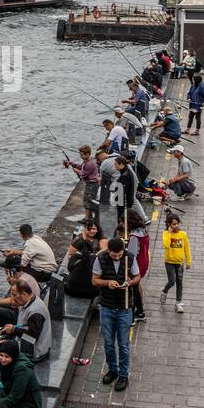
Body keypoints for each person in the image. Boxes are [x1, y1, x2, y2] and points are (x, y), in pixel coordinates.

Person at [92, 237, 138, 392]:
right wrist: (107, 283)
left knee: (124, 345)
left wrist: (129, 283)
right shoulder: (100, 259)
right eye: (114, 255)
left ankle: (124, 375)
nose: (117, 258)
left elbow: (138, 277)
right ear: (108, 251)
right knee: (109, 343)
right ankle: (113, 369)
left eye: (119, 255)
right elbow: (94, 280)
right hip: (107, 307)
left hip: (125, 308)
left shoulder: (130, 257)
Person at [0, 273, 51, 362]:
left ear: (24, 294)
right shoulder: (26, 301)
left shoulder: (35, 311)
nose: (12, 298)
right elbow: (19, 323)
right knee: (0, 346)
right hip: (25, 343)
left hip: (35, 352)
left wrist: (13, 330)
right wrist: (5, 335)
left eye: (14, 295)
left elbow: (32, 338)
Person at [0, 338, 42, 408]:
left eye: (7, 357)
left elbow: (14, 398)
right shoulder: (0, 362)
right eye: (1, 355)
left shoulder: (22, 371)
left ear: (13, 356)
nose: (3, 359)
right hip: (11, 393)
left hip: (27, 402)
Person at [160, 212, 191, 313]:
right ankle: (165, 290)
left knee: (179, 282)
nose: (176, 225)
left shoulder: (183, 234)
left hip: (180, 263)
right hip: (169, 262)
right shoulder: (165, 234)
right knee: (172, 281)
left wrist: (188, 261)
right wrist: (169, 233)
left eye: (177, 223)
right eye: (173, 224)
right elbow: (166, 245)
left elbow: (187, 248)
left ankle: (178, 303)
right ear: (169, 225)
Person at [65, 144, 101, 221]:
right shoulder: (86, 160)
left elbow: (84, 175)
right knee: (90, 200)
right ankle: (90, 216)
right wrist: (72, 164)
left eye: (82, 155)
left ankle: (87, 218)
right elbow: (80, 166)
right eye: (80, 155)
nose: (81, 156)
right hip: (91, 184)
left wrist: (77, 171)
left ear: (87, 154)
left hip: (92, 184)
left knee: (87, 200)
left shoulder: (90, 164)